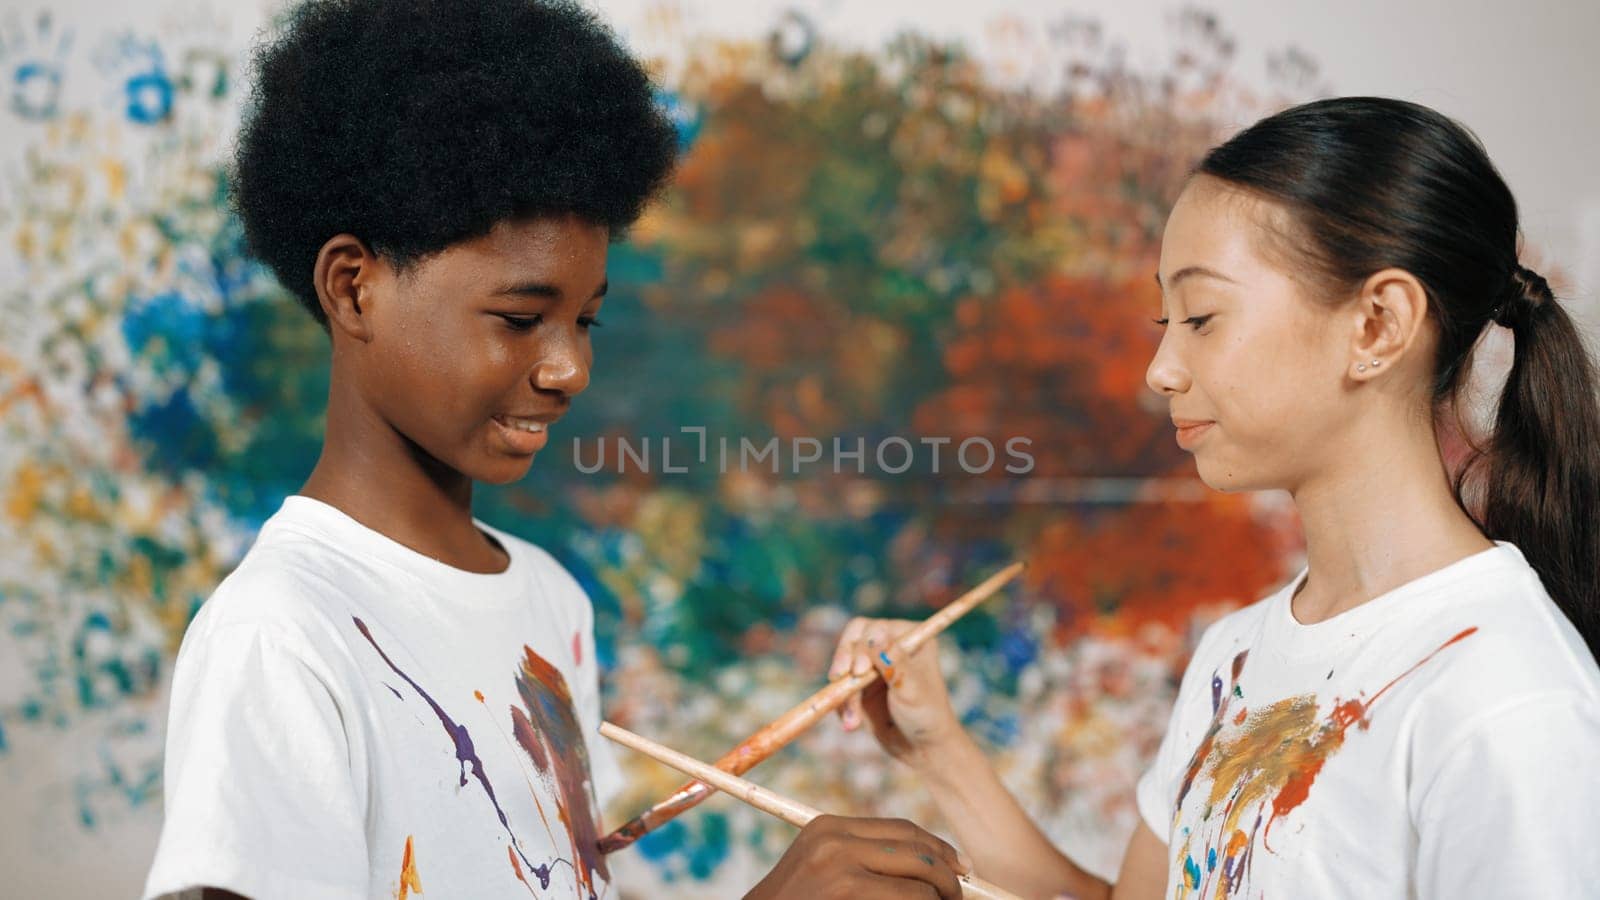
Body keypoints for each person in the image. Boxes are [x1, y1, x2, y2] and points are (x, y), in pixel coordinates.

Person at [143, 1, 974, 897]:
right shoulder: (279, 637)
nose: (571, 367)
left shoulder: (549, 602)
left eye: (585, 319)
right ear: (355, 288)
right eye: (519, 318)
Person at [807, 97, 1600, 899]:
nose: (1161, 369)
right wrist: (936, 745)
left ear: (1377, 324)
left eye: (1201, 317)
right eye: (1166, 318)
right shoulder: (1239, 655)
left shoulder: (1507, 700)